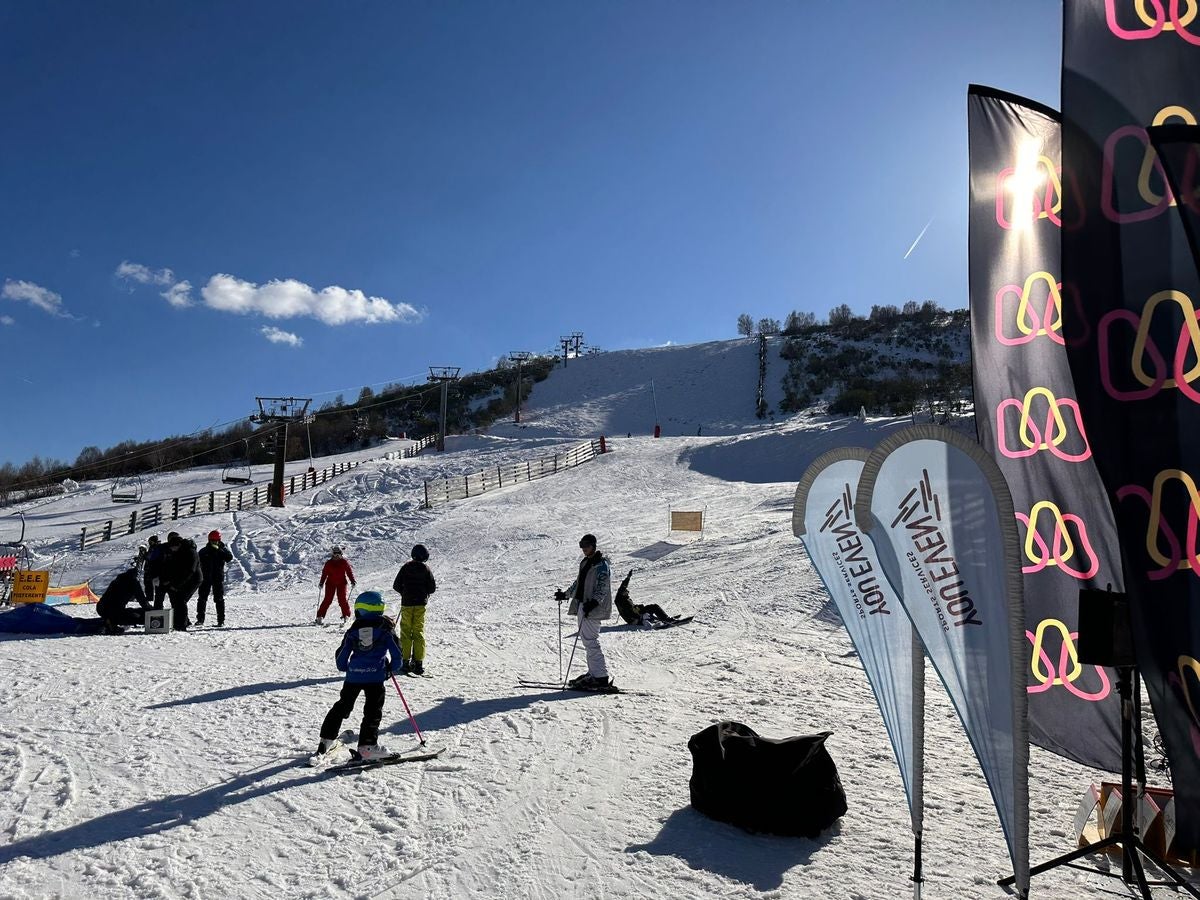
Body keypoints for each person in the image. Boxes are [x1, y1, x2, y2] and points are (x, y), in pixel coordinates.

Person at [315, 590, 403, 761]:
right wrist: (390, 669)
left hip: (353, 677)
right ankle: (368, 746)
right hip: (376, 678)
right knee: (372, 712)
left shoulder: (353, 630)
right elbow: (398, 654)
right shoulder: (386, 629)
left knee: (342, 707)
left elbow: (342, 656)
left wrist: (346, 667)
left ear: (360, 609)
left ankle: (326, 740)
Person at [554, 533, 614, 689]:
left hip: (592, 608)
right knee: (587, 640)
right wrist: (565, 594)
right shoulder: (585, 562)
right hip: (583, 605)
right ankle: (594, 672)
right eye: (582, 545)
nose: (584, 549)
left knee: (590, 641)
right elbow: (578, 583)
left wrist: (593, 603)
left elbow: (603, 586)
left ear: (593, 546)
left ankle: (600, 677)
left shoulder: (601, 565)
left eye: (586, 545)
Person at [391, 543, 437, 675]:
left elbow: (396, 585)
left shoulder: (406, 567)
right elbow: (432, 588)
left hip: (407, 603)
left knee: (406, 631)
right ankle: (418, 663)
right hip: (420, 605)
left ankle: (405, 662)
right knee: (418, 632)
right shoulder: (426, 569)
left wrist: (404, 592)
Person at [159, 531, 200, 631]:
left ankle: (181, 625)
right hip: (182, 578)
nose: (172, 550)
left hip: (194, 579)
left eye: (173, 547)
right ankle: (179, 622)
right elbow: (172, 567)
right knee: (177, 599)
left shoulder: (191, 552)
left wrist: (177, 585)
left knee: (181, 599)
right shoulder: (177, 552)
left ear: (178, 545)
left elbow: (190, 571)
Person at [96, 568, 150, 634]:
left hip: (101, 608)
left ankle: (109, 621)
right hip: (114, 611)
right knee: (136, 615)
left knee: (122, 611)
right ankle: (111, 624)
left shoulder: (116, 581)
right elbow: (141, 599)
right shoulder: (133, 582)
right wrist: (149, 610)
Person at [197, 530, 233, 627]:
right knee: (202, 598)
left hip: (218, 578)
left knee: (219, 599)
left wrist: (219, 550)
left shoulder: (223, 549)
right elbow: (197, 562)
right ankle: (200, 619)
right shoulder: (204, 551)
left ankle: (221, 620)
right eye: (212, 540)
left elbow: (229, 558)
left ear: (219, 540)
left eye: (216, 540)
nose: (214, 542)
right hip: (205, 578)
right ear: (209, 540)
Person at [316, 546, 357, 625]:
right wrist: (321, 583)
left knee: (342, 600)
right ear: (332, 554)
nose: (337, 555)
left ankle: (346, 616)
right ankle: (320, 616)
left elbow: (349, 572)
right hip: (330, 583)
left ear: (341, 553)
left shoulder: (344, 562)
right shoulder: (329, 563)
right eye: (335, 553)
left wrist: (352, 581)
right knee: (328, 599)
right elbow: (324, 574)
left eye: (338, 553)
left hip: (342, 583)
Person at [143, 535, 168, 609]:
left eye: (150, 541)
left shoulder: (157, 547)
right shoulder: (154, 547)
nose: (150, 543)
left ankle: (153, 601)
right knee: (149, 584)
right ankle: (151, 598)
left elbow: (151, 557)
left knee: (156, 587)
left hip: (155, 570)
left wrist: (145, 555)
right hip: (151, 569)